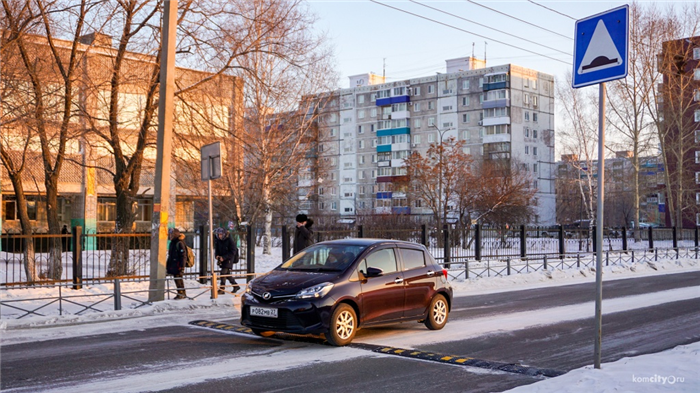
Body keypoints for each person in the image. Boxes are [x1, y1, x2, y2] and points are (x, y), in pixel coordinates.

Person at [214, 228, 240, 294]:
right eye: (218, 234)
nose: (219, 236)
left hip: (228, 259)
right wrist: (217, 255)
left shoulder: (229, 240)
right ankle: (235, 286)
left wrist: (224, 257)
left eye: (221, 234)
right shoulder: (218, 240)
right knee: (227, 274)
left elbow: (233, 251)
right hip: (222, 259)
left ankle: (222, 289)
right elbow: (217, 249)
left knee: (223, 273)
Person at [166, 228, 187, 299]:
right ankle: (181, 293)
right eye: (169, 235)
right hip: (174, 264)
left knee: (178, 279)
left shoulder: (179, 243)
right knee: (177, 279)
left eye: (171, 235)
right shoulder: (173, 243)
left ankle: (181, 293)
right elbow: (170, 255)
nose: (170, 236)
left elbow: (183, 256)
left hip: (178, 265)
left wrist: (182, 267)